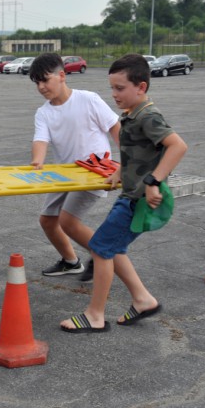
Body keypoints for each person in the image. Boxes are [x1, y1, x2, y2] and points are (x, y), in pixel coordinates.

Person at [60, 53, 187, 333]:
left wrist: (154, 180)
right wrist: (120, 172)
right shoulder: (131, 114)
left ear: (141, 87)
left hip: (139, 200)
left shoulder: (149, 116)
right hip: (129, 196)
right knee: (111, 248)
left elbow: (177, 146)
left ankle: (95, 315)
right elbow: (137, 151)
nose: (114, 94)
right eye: (112, 88)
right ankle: (143, 300)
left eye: (120, 88)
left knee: (102, 247)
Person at [28, 53, 121, 282]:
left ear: (61, 76)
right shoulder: (44, 113)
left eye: (45, 80)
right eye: (36, 82)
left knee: (67, 221)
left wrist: (128, 161)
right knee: (48, 221)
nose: (41, 87)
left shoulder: (88, 99)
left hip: (93, 172)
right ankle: (71, 262)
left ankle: (101, 255)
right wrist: (38, 160)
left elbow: (115, 127)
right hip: (65, 174)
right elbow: (41, 140)